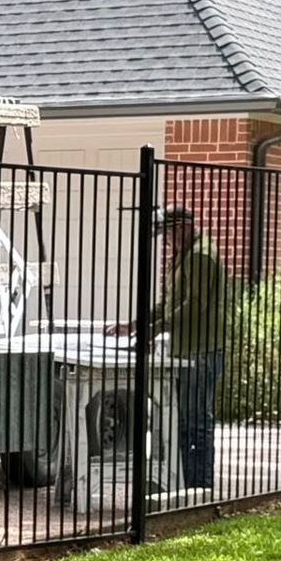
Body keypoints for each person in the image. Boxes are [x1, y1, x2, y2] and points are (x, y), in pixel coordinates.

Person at [106, 206, 227, 490]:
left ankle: (200, 486)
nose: (167, 241)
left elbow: (195, 305)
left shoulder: (199, 256)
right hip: (187, 349)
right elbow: (168, 304)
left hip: (201, 350)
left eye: (169, 234)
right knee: (184, 419)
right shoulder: (184, 256)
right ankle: (186, 482)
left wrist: (155, 329)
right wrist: (136, 325)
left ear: (182, 227)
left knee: (195, 420)